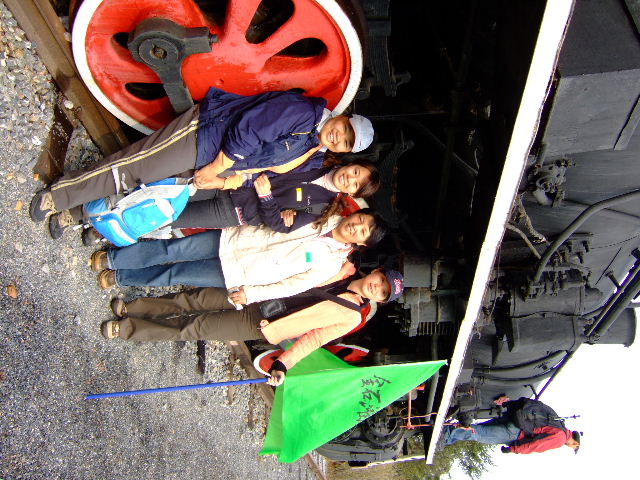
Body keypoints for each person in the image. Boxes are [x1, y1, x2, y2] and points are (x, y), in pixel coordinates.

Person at [29, 86, 375, 232]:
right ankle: (58, 196)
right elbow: (249, 129)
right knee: (132, 170)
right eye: (345, 129)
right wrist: (217, 168)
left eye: (346, 143)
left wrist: (223, 179)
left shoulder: (313, 149)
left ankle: (78, 212)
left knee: (148, 189)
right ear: (343, 117)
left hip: (216, 164)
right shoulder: (304, 112)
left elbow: (262, 167)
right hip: (206, 136)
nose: (339, 137)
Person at [100, 268, 405, 386]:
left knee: (194, 328)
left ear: (381, 299)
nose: (376, 287)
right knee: (192, 299)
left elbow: (314, 339)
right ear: (376, 271)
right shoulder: (343, 265)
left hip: (261, 323)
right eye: (381, 281)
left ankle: (127, 329)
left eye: (383, 292)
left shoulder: (353, 316)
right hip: (257, 290)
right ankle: (133, 308)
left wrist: (283, 364)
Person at [90, 209, 387, 305]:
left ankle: (121, 277)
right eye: (361, 220)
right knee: (173, 249)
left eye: (363, 232)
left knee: (175, 274)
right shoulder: (322, 211)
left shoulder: (330, 264)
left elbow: (291, 286)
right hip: (233, 240)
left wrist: (252, 294)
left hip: (242, 272)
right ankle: (115, 259)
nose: (357, 226)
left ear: (361, 243)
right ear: (356, 213)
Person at [171, 159, 380, 232]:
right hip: (229, 178)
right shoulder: (317, 160)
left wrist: (267, 198)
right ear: (352, 163)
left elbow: (281, 225)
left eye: (355, 185)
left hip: (233, 211)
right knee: (167, 189)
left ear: (352, 193)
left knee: (170, 217)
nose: (349, 179)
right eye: (355, 172)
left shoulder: (321, 207)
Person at [442, 396, 581, 455]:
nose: (571, 447)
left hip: (514, 419)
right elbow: (537, 445)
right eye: (574, 447)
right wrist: (514, 449)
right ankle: (443, 434)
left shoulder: (558, 422)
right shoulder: (561, 438)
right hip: (514, 433)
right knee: (477, 433)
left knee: (477, 429)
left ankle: (445, 437)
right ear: (575, 443)